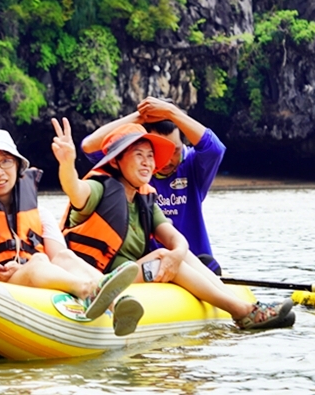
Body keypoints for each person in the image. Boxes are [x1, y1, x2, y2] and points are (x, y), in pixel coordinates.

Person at [53, 118, 294, 331]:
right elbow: (75, 189)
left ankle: (244, 306)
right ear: (116, 162)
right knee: (162, 257)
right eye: (139, 155)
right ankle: (241, 313)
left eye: (150, 156)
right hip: (100, 277)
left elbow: (175, 238)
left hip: (131, 274)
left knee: (179, 254)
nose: (148, 163)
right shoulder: (99, 188)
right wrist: (67, 165)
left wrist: (177, 254)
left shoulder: (145, 197)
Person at [0, 128, 138, 323]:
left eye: (6, 162)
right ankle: (88, 290)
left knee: (64, 256)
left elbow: (60, 259)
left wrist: (17, 268)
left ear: (18, 166)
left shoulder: (40, 214)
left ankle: (115, 301)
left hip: (24, 285)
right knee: (39, 260)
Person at [81, 97, 224, 272]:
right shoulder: (137, 173)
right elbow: (89, 146)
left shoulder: (193, 166)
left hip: (195, 263)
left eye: (176, 150)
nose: (169, 159)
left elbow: (215, 149)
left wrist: (172, 112)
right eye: (160, 151)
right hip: (149, 266)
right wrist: (140, 117)